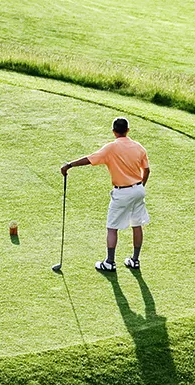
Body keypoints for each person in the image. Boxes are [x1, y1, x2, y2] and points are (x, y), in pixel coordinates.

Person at [61, 116, 150, 273]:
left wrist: (70, 165)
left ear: (114, 131)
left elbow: (90, 159)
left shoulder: (111, 148)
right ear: (127, 130)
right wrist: (139, 187)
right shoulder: (139, 147)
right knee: (137, 224)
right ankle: (135, 260)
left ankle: (109, 262)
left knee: (112, 227)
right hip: (138, 189)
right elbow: (147, 170)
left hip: (122, 192)